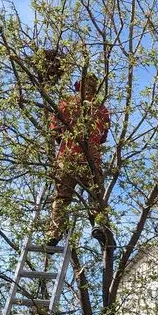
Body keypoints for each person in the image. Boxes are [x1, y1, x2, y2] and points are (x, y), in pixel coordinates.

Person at [46, 72, 111, 246]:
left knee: (61, 198)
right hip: (91, 160)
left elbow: (54, 129)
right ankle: (99, 224)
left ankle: (54, 232)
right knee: (95, 194)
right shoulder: (101, 109)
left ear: (79, 86)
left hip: (67, 158)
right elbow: (103, 136)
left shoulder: (67, 103)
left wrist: (64, 140)